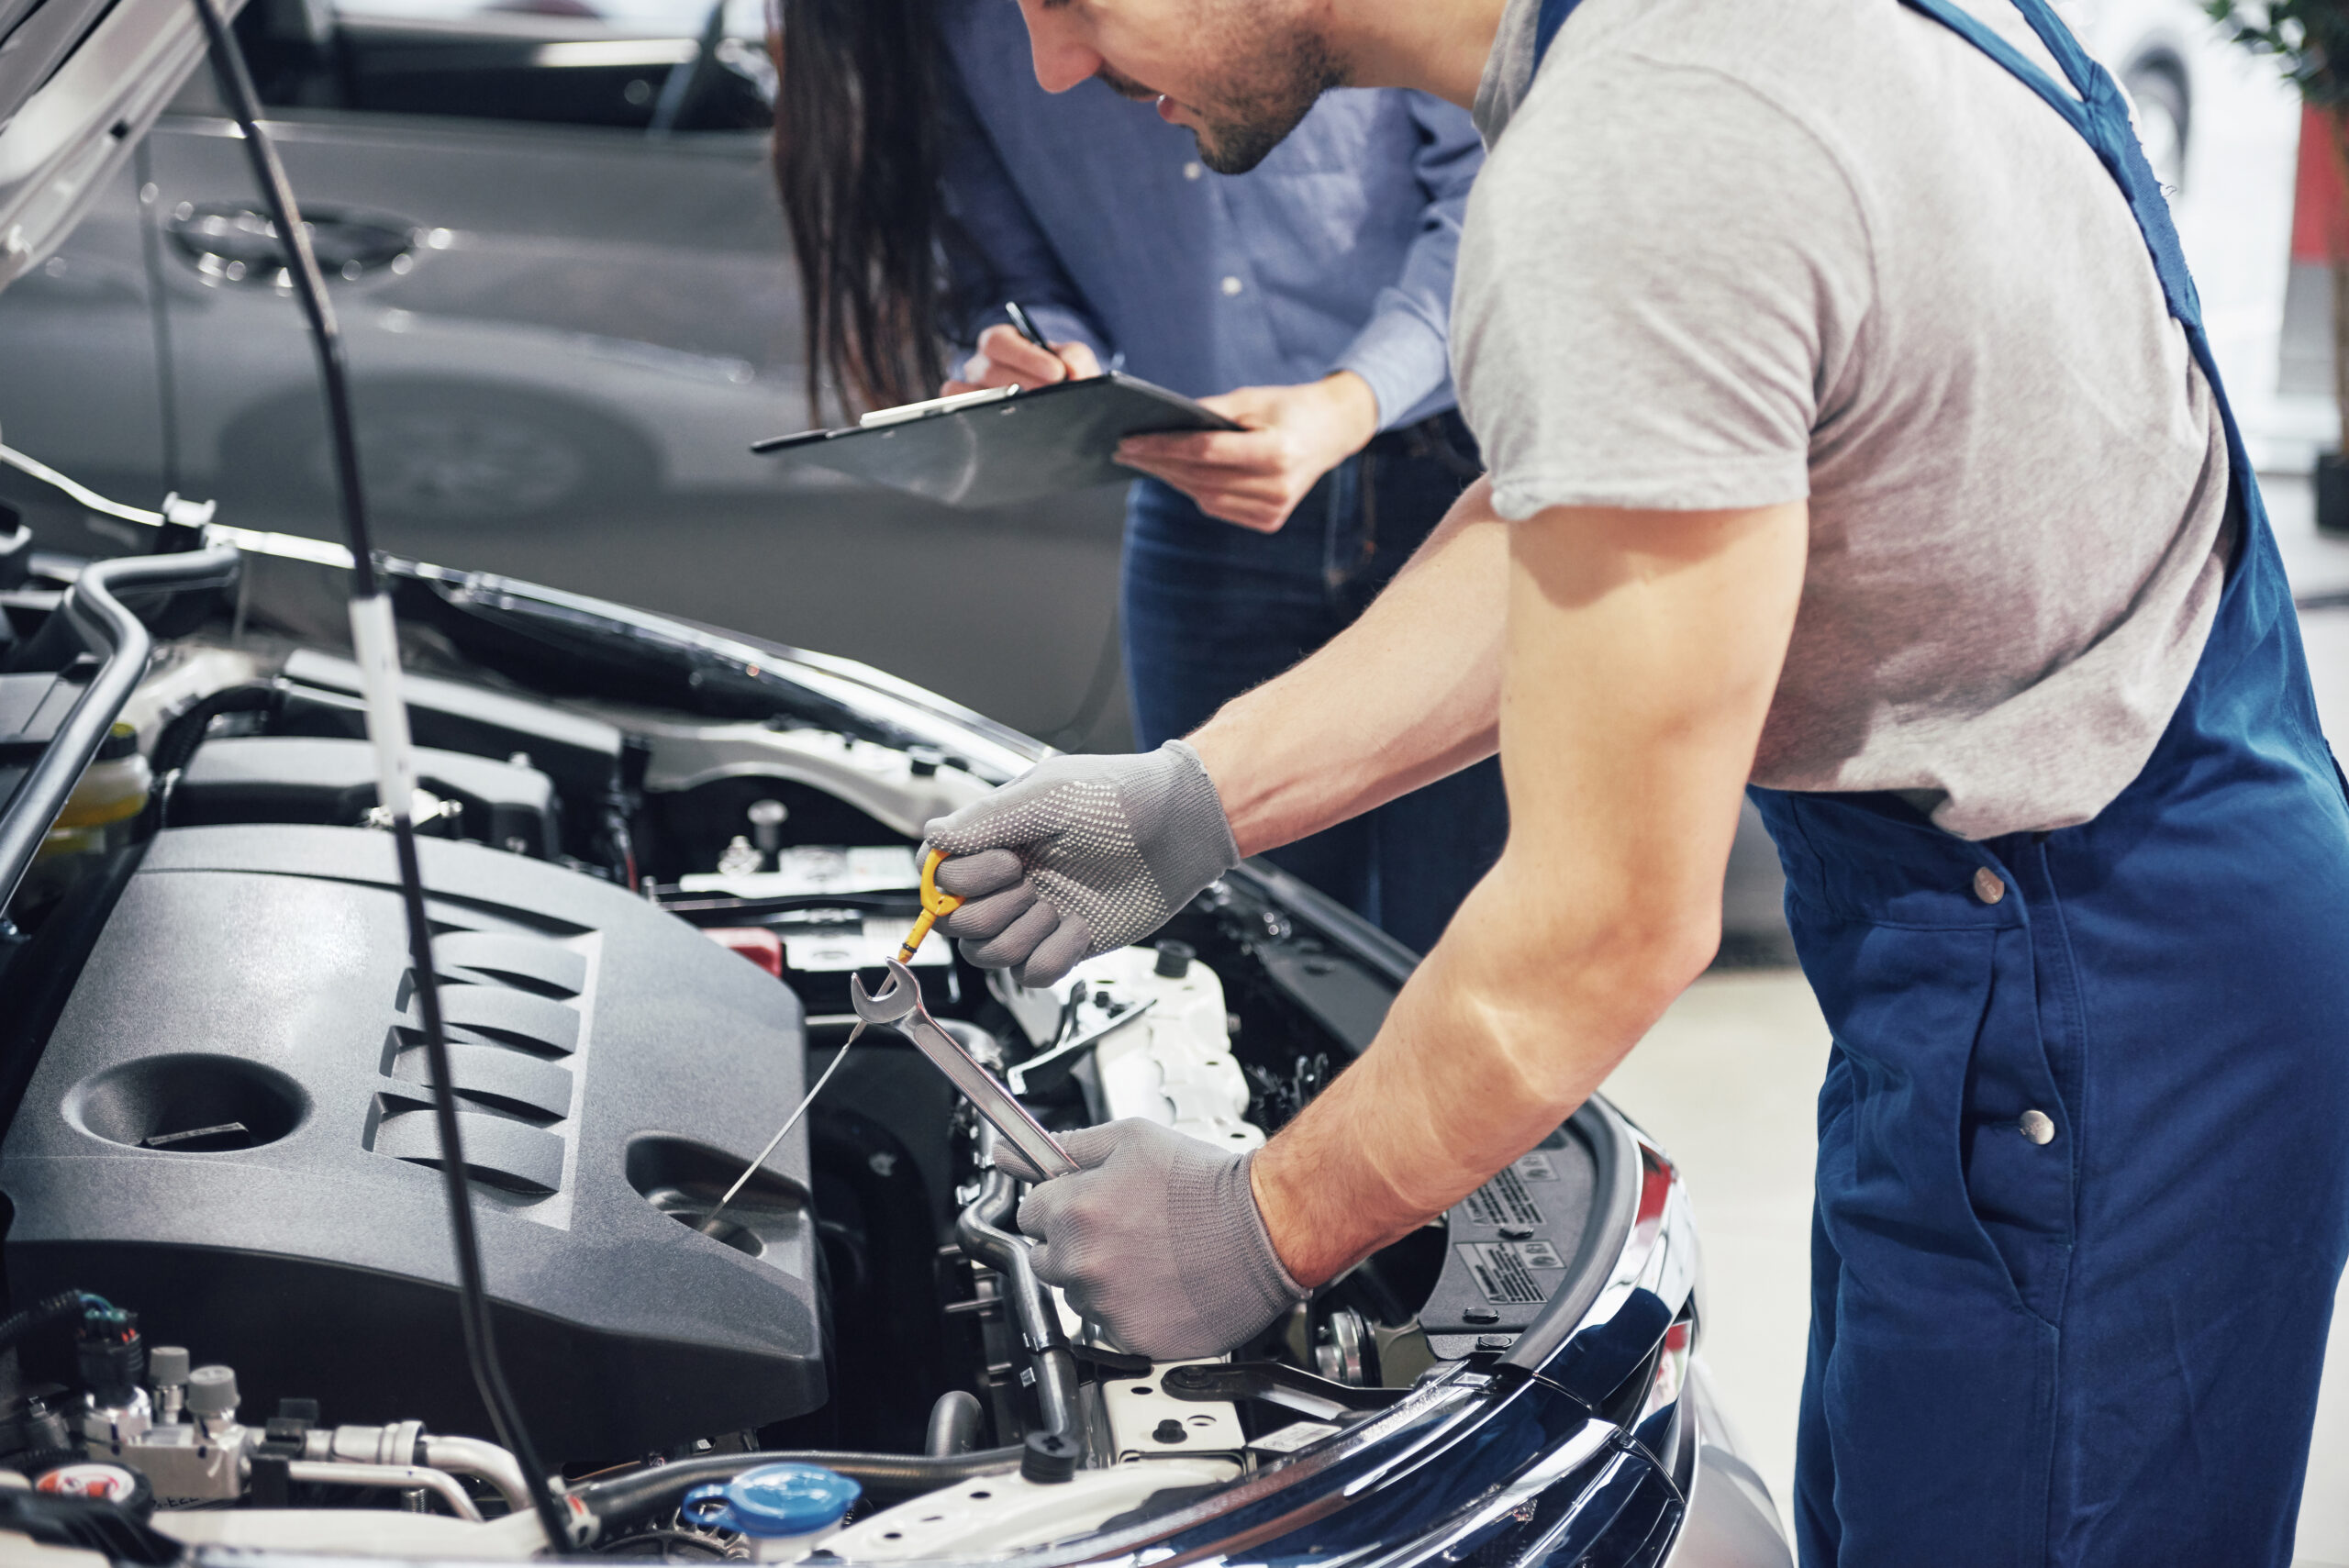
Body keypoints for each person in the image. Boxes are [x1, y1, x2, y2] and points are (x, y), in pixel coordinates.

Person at [918, 0, 2349, 1562]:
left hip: (2086, 984)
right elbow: (1598, 512)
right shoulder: (1673, 48)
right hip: (2119, 912)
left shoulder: (1637, 148)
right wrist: (1191, 800)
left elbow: (1605, 918)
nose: (1053, 64)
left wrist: (1258, 1221)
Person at [772, 0, 1505, 956]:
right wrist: (1045, 352)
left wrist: (1351, 399)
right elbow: (1004, 265)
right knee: (1246, 952)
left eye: (1072, 14)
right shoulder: (940, 34)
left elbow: (1498, 189)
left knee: (1465, 935)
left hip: (1457, 469)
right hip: (1199, 507)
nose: (1051, 69)